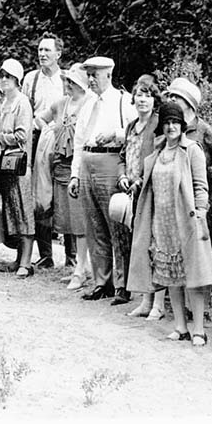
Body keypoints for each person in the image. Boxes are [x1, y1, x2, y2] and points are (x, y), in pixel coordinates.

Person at [127, 100, 212, 346]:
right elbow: (149, 183)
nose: (171, 127)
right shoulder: (157, 153)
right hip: (161, 222)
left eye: (175, 122)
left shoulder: (192, 151)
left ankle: (199, 330)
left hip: (186, 221)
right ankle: (180, 326)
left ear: (182, 125)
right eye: (166, 122)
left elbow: (201, 186)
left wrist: (201, 214)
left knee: (193, 275)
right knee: (171, 277)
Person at [68, 56, 137, 301]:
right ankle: (102, 282)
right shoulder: (88, 104)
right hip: (88, 162)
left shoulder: (123, 101)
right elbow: (78, 141)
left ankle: (123, 284)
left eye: (95, 74)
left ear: (108, 74)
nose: (90, 79)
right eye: (88, 74)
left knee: (116, 225)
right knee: (94, 225)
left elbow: (136, 131)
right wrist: (75, 175)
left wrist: (114, 134)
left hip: (111, 161)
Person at [40, 64, 90, 287]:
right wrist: (49, 132)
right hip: (61, 165)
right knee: (67, 217)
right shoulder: (61, 103)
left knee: (81, 218)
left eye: (72, 81)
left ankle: (83, 267)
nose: (67, 84)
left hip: (80, 166)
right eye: (67, 80)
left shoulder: (90, 104)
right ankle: (75, 265)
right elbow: (40, 119)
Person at [22, 33, 66, 269]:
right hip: (38, 138)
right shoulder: (31, 79)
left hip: (63, 141)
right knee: (40, 196)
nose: (42, 54)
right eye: (40, 50)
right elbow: (26, 110)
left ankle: (71, 256)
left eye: (47, 50)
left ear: (58, 53)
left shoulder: (66, 79)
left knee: (65, 193)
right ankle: (46, 254)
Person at [120, 74, 162, 315]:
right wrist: (122, 176)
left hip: (153, 192)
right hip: (133, 192)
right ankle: (146, 300)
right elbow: (122, 155)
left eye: (147, 95)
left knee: (155, 245)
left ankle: (158, 304)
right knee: (141, 245)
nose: (142, 99)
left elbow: (159, 157)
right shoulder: (131, 125)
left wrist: (140, 180)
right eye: (138, 95)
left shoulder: (157, 125)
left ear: (154, 100)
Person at [162, 77, 212, 232]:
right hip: (175, 198)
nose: (171, 99)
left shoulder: (204, 130)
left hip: (200, 199)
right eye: (170, 96)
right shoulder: (170, 128)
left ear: (189, 101)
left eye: (176, 96)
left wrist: (204, 172)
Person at [0, 59, 35, 276]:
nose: (4, 80)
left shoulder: (22, 102)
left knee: (23, 210)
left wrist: (0, 138)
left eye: (8, 77)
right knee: (13, 210)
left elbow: (22, 135)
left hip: (19, 164)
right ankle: (19, 258)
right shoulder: (4, 102)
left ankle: (26, 262)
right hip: (5, 164)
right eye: (2, 76)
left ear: (17, 80)